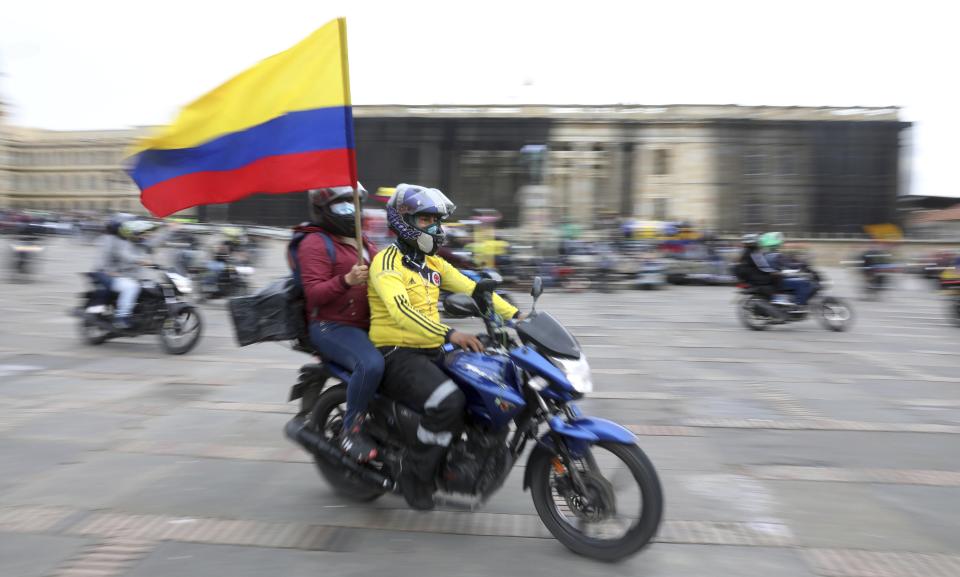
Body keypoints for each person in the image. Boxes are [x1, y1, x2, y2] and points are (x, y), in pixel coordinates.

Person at [368, 184, 519, 510]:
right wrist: (451, 334)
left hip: (431, 347)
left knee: (484, 386)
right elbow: (402, 312)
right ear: (404, 221)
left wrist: (518, 316)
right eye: (426, 220)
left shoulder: (433, 263)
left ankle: (459, 457)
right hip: (396, 352)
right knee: (448, 402)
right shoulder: (386, 263)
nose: (436, 228)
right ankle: (415, 475)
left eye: (437, 220)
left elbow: (477, 290)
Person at [291, 185, 382, 463]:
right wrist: (346, 281)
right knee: (371, 364)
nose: (352, 213)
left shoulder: (364, 242)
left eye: (355, 206)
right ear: (322, 211)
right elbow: (314, 293)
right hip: (331, 326)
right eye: (343, 207)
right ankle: (350, 431)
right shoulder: (316, 243)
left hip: (367, 324)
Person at [95, 217, 151, 329]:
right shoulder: (110, 240)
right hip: (105, 273)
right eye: (123, 227)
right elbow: (121, 255)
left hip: (116, 274)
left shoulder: (123, 240)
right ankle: (121, 318)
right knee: (131, 287)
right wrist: (138, 260)